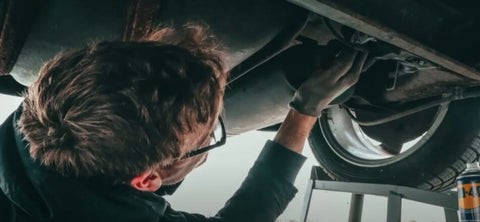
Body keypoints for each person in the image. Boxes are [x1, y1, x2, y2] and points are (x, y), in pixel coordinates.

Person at [0, 24, 367, 222]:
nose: (211, 132)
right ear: (147, 180)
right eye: (209, 135)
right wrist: (304, 110)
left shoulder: (53, 106)